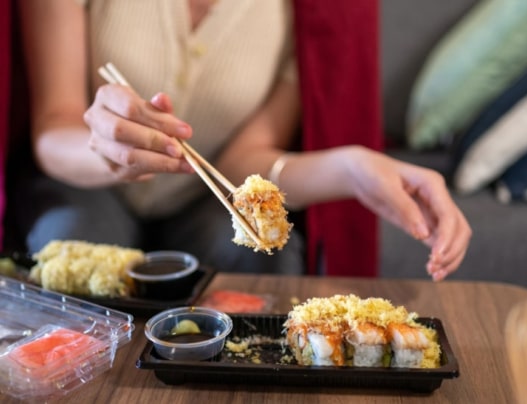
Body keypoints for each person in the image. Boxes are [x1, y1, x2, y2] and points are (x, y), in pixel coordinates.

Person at [15, 0, 471, 279]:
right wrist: (107, 153)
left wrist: (353, 166)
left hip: (207, 198)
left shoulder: (317, 10)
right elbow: (54, 127)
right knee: (73, 249)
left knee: (263, 255)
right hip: (84, 180)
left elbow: (243, 162)